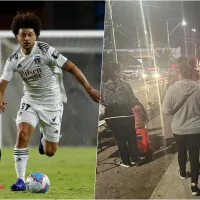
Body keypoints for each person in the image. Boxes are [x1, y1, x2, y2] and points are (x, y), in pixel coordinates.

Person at [0, 12, 100, 191]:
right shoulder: (13, 60)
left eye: (30, 34)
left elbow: (72, 68)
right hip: (30, 100)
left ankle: (44, 137)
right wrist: (0, 98)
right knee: (22, 134)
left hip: (52, 103)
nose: (27, 38)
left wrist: (89, 89)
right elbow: (2, 84)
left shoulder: (46, 51)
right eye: (23, 34)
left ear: (36, 35)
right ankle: (21, 181)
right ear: (17, 37)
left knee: (50, 152)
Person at [162, 61, 200, 196]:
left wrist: (178, 114)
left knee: (181, 152)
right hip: (196, 129)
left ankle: (183, 173)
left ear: (179, 74)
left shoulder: (172, 89)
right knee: (194, 156)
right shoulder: (199, 88)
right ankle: (194, 185)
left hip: (178, 129)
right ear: (192, 74)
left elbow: (165, 110)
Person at [101, 62, 144, 167]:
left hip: (111, 116)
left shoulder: (102, 86)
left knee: (120, 139)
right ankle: (134, 158)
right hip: (125, 114)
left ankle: (125, 161)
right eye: (120, 71)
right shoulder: (125, 85)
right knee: (131, 137)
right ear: (115, 72)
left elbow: (101, 101)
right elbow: (132, 101)